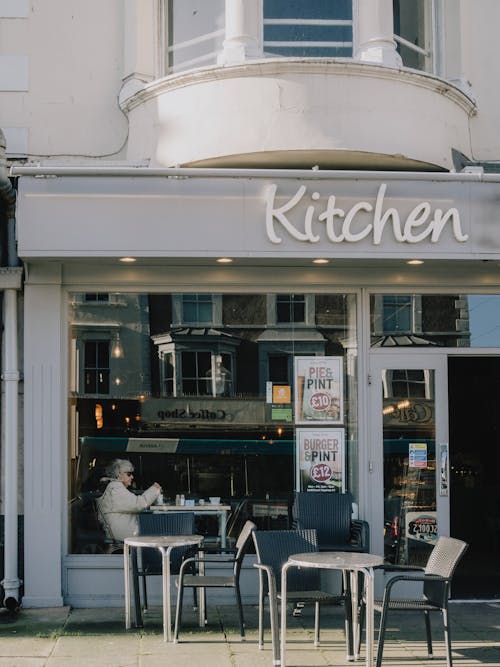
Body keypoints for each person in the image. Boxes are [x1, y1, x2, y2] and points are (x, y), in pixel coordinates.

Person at [96, 459, 162, 542]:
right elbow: (139, 504)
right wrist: (155, 489)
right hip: (122, 532)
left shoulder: (114, 487)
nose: (132, 477)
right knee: (159, 533)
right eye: (129, 474)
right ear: (119, 474)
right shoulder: (116, 488)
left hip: (117, 530)